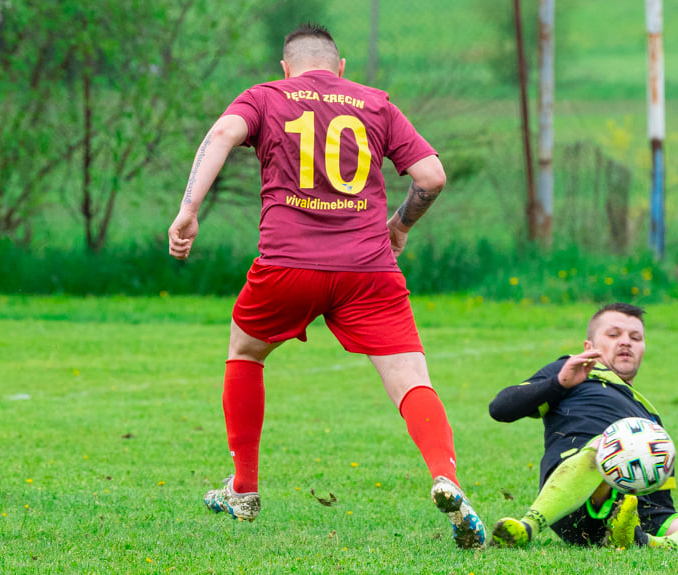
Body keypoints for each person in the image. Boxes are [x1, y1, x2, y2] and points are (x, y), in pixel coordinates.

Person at [166, 23, 485, 550]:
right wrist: (400, 226)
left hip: (287, 266)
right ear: (341, 69)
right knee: (410, 378)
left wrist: (188, 211)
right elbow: (432, 176)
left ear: (286, 68)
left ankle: (243, 489)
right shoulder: (375, 103)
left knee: (245, 351)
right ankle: (445, 476)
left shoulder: (266, 97)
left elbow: (221, 134)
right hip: (368, 270)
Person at [488, 302, 678, 550]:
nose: (626, 341)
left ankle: (647, 543)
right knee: (607, 444)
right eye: (614, 334)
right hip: (576, 505)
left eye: (635, 337)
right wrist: (558, 383)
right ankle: (527, 526)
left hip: (633, 519)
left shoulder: (650, 421)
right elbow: (500, 409)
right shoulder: (575, 373)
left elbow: (660, 508)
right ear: (589, 346)